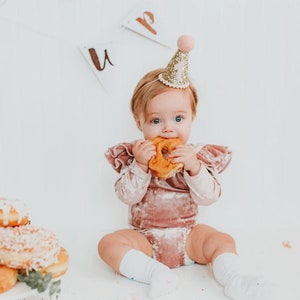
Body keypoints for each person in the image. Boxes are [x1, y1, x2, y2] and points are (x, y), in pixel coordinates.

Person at [98, 35, 269, 299]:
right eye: (156, 120)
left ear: (192, 118)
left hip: (188, 236)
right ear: (139, 122)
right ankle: (156, 274)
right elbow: (126, 196)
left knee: (222, 240)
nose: (168, 128)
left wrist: (195, 168)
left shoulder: (196, 156)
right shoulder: (137, 156)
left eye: (178, 118)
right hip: (146, 238)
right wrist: (141, 166)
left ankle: (235, 279)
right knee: (108, 245)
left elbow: (210, 197)